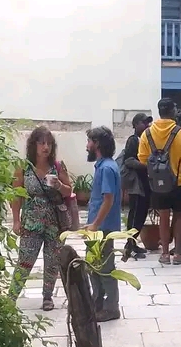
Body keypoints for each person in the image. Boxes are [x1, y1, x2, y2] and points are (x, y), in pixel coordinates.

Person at [9, 126, 72, 311]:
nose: (46, 147)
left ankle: (47, 297)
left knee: (52, 260)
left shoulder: (57, 166)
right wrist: (16, 220)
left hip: (55, 223)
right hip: (31, 222)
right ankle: (12, 297)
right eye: (42, 143)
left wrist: (59, 185)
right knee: (25, 260)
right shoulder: (24, 167)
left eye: (49, 144)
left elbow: (69, 191)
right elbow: (16, 195)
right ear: (33, 145)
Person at [139, 98, 181, 265]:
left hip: (157, 183)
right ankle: (177, 254)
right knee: (179, 216)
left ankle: (164, 254)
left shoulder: (147, 133)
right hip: (178, 182)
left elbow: (142, 159)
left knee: (163, 216)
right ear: (172, 111)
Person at [85, 126, 123, 323]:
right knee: (94, 266)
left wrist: (95, 224)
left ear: (97, 144)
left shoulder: (107, 168)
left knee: (105, 268)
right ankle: (97, 302)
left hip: (103, 229)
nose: (87, 146)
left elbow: (108, 199)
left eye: (89, 141)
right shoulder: (103, 165)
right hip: (97, 227)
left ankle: (111, 307)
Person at [120, 112, 152, 260]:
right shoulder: (133, 140)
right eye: (143, 123)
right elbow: (128, 160)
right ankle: (129, 245)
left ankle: (133, 243)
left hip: (144, 183)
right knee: (135, 214)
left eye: (147, 123)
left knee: (141, 214)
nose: (147, 126)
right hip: (136, 183)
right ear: (136, 125)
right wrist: (145, 166)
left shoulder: (145, 139)